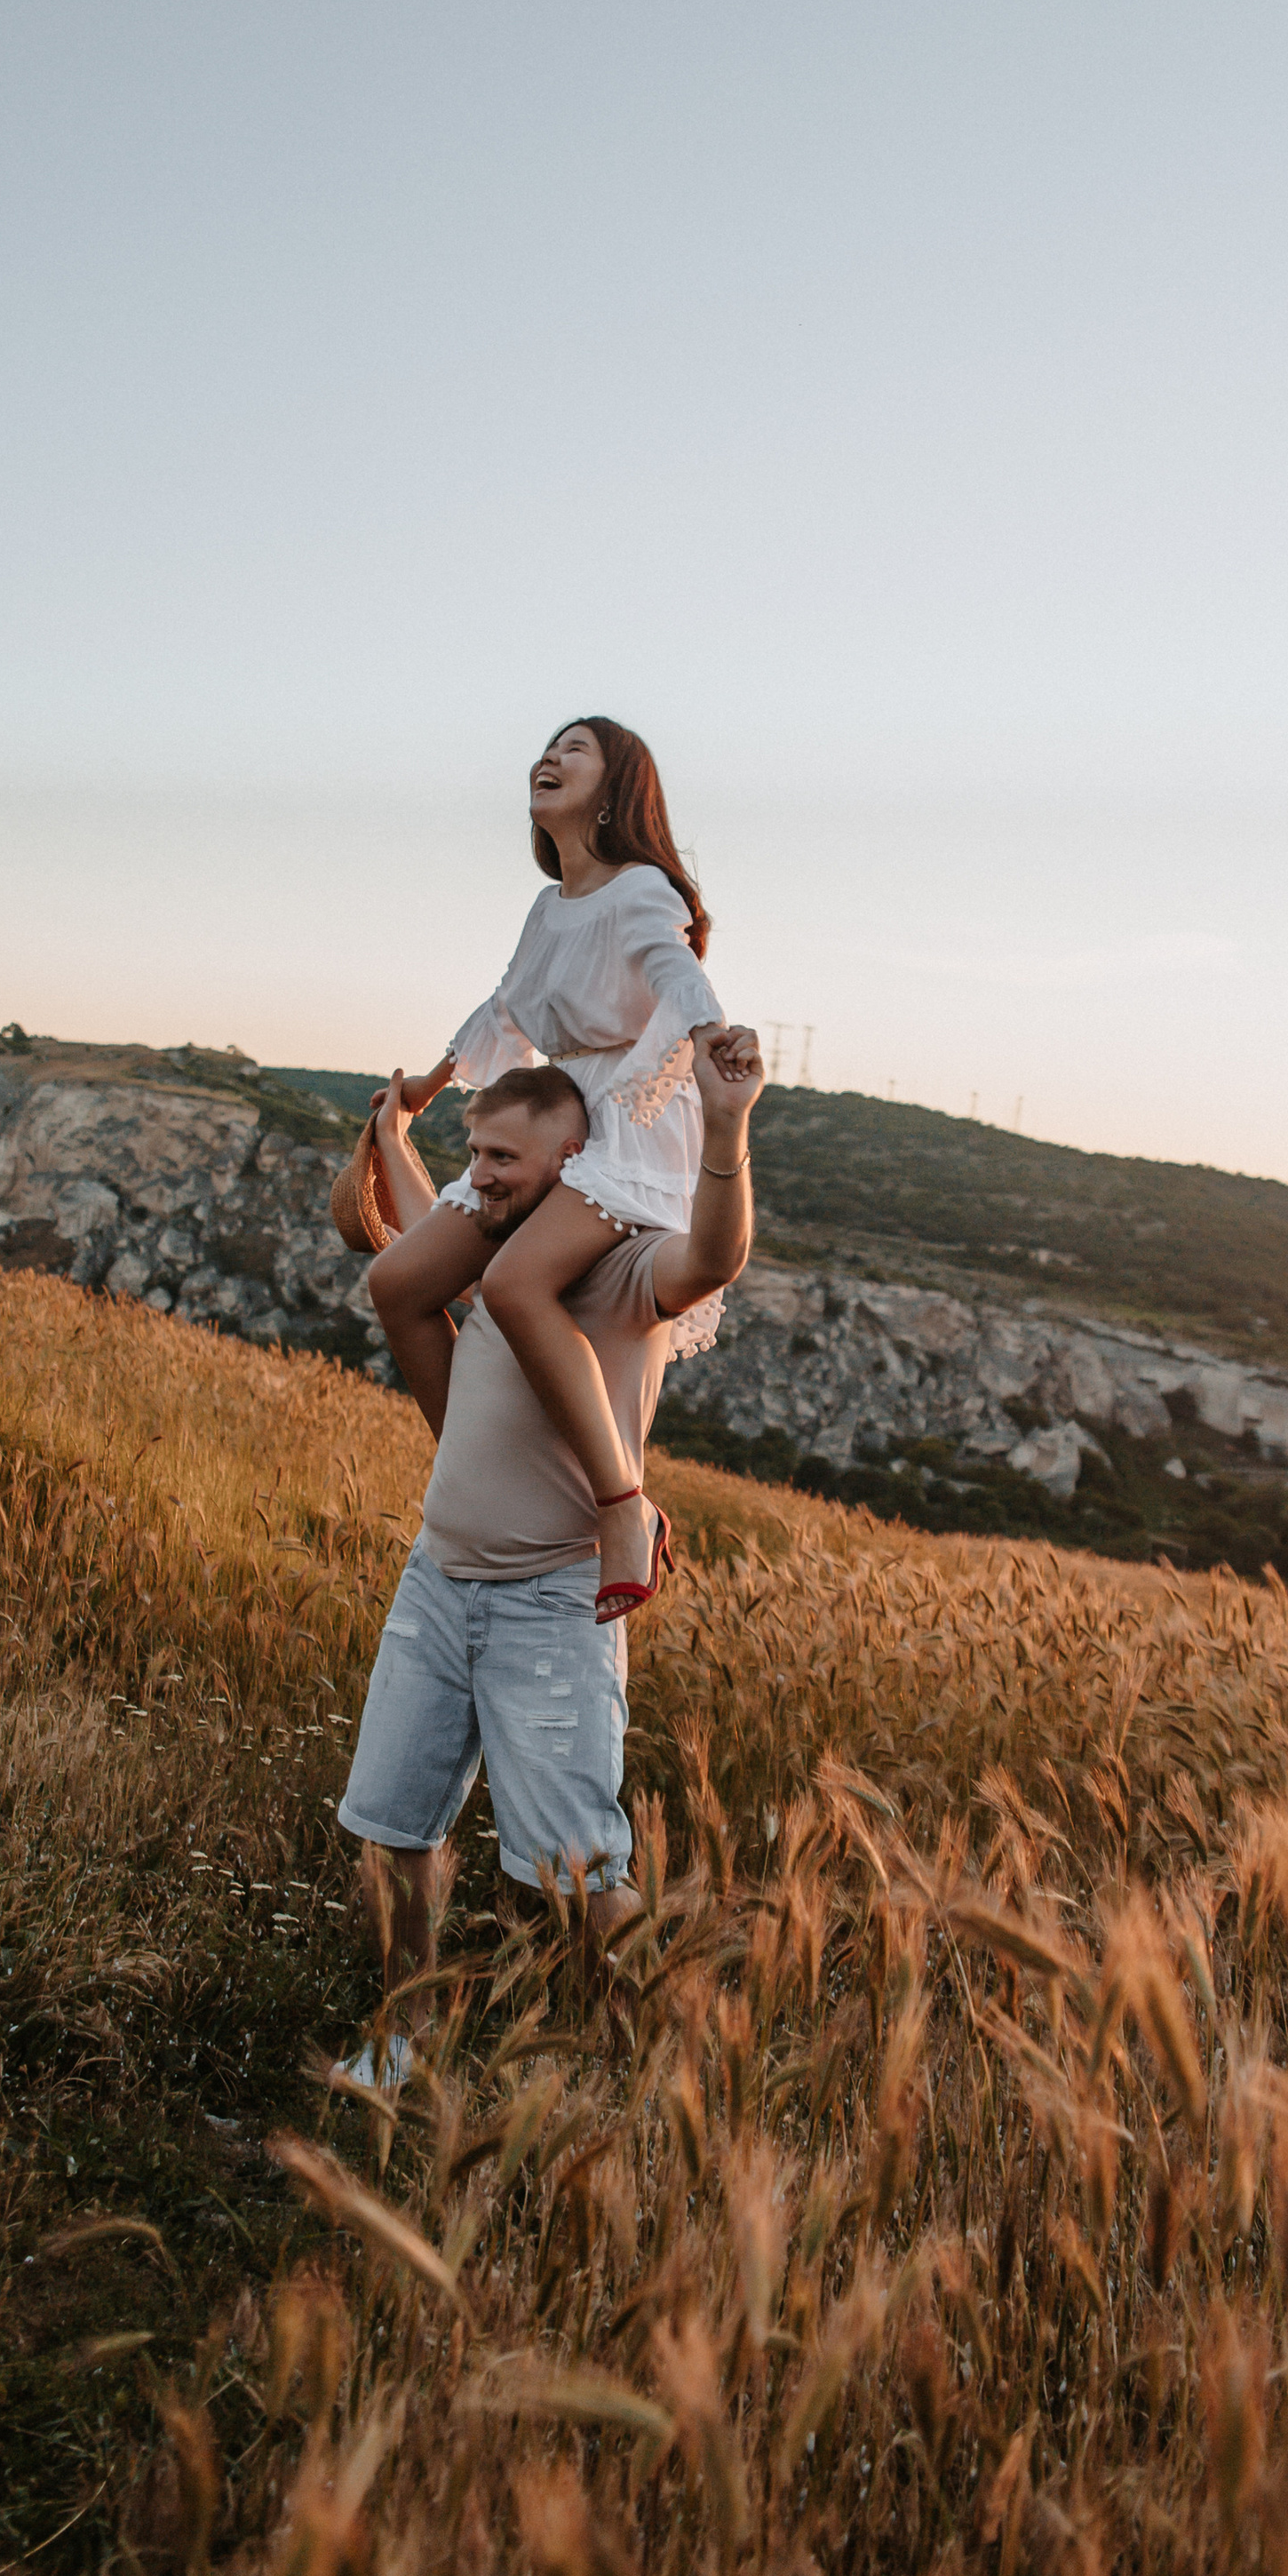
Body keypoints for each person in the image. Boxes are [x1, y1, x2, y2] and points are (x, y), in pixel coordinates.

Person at [334, 1021, 764, 2081]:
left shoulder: (622, 1277)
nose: (474, 1181)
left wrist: (724, 1125)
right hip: (437, 1581)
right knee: (392, 1832)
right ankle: (403, 2036)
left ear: (573, 1170)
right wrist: (396, 1132)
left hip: (549, 1604)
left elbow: (713, 1256)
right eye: (473, 1159)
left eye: (499, 1163)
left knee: (571, 1872)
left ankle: (668, 2062)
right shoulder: (488, 1246)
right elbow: (424, 1234)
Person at [366, 717, 727, 1621]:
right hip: (559, 1111)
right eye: (547, 746)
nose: (550, 757)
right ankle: (478, 1469)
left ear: (615, 791)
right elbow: (506, 1007)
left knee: (517, 1282)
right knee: (400, 1281)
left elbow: (679, 979)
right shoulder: (547, 906)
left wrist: (716, 1046)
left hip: (632, 1117)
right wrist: (424, 1086)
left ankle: (619, 1507)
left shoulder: (640, 888)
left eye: (577, 749)